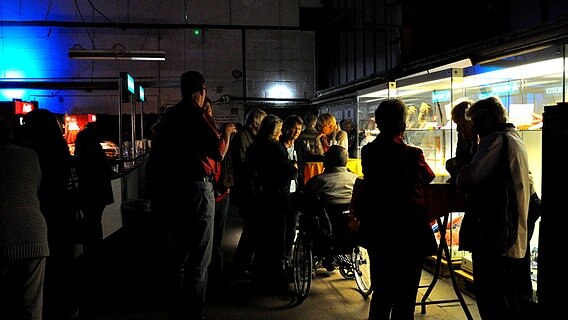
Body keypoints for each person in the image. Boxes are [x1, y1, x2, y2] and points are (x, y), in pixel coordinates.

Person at [145, 71, 235, 320]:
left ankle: (175, 306)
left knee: (180, 253)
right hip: (197, 189)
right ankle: (194, 313)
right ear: (202, 89)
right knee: (200, 258)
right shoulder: (198, 115)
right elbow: (218, 153)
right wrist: (226, 134)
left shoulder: (170, 115)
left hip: (173, 190)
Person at [358, 99, 437, 320]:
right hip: (409, 229)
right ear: (403, 123)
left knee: (382, 290)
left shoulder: (368, 151)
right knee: (406, 294)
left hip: (378, 227)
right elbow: (428, 176)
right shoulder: (412, 154)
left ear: (379, 123)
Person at [456, 96, 531, 319]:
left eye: (476, 122)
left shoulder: (495, 141)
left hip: (496, 233)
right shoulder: (513, 138)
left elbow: (468, 177)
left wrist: (466, 152)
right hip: (510, 230)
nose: (474, 128)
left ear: (486, 121)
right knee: (505, 294)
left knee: (491, 294)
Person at [19, 109, 79, 320]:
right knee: (64, 265)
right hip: (64, 213)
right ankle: (67, 308)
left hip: (45, 215)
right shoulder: (60, 150)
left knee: (50, 270)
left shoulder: (32, 154)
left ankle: (54, 308)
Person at [0, 117, 50, 320]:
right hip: (34, 234)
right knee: (31, 307)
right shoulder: (30, 155)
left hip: (3, 235)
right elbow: (35, 187)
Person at [244, 114, 297, 291]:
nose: (281, 132)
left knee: (261, 239)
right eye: (279, 129)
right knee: (275, 240)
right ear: (273, 130)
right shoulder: (274, 148)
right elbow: (288, 171)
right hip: (275, 198)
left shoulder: (254, 147)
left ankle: (259, 276)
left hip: (258, 198)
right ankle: (273, 279)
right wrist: (294, 168)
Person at [202, 97, 235, 294]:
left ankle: (217, 278)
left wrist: (228, 184)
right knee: (206, 241)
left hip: (221, 194)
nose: (206, 111)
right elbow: (220, 154)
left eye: (209, 108)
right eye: (203, 108)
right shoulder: (209, 133)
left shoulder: (214, 130)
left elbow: (227, 162)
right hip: (208, 193)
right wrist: (227, 135)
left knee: (217, 241)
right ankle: (209, 281)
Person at [230, 108, 267, 278]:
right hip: (246, 190)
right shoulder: (242, 138)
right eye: (263, 124)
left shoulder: (249, 137)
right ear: (254, 124)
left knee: (253, 228)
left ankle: (245, 264)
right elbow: (243, 164)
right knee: (251, 229)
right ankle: (241, 266)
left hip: (248, 189)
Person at [73, 121, 114, 259]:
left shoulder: (86, 156)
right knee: (95, 222)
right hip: (101, 192)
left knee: (91, 222)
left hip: (91, 193)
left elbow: (81, 173)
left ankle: (91, 252)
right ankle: (96, 251)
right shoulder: (98, 152)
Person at [279, 115, 309, 264]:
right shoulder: (278, 144)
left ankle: (287, 257)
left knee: (291, 225)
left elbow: (307, 159)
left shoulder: (299, 144)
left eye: (299, 128)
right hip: (280, 192)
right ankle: (279, 256)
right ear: (285, 128)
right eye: (294, 128)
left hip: (296, 192)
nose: (296, 131)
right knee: (280, 225)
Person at [445, 100, 476, 184]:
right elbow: (459, 157)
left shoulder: (483, 139)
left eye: (461, 124)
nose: (458, 129)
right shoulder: (462, 136)